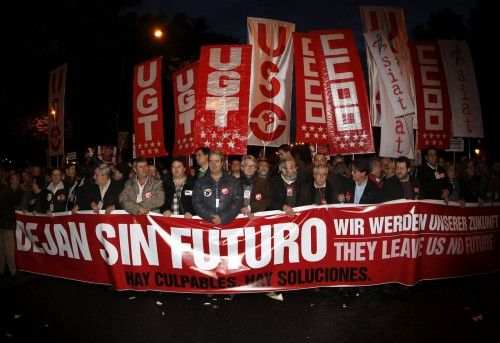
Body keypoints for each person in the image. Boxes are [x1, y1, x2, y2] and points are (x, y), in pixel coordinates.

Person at [192, 150, 242, 225]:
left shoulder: (233, 181)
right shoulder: (200, 182)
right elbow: (196, 202)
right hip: (207, 224)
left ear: (222, 163)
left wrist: (222, 217)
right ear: (208, 163)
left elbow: (238, 201)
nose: (213, 164)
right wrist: (211, 217)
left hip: (228, 224)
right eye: (211, 161)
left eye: (217, 161)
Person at [0, 170, 16, 275]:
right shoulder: (7, 190)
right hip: (7, 223)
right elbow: (15, 201)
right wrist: (19, 190)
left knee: (0, 248)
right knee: (10, 248)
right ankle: (12, 269)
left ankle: (1, 268)